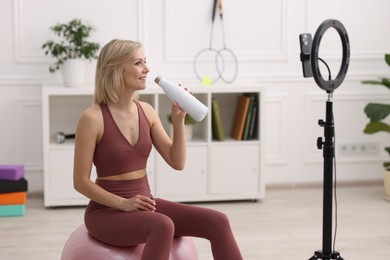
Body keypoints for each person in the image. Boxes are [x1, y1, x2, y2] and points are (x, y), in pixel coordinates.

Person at [73, 39, 243, 260]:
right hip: (106, 213)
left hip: (144, 203)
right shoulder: (92, 118)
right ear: (115, 68)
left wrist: (179, 120)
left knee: (218, 221)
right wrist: (123, 204)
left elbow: (177, 161)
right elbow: (80, 182)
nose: (146, 69)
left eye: (145, 61)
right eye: (138, 63)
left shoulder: (147, 111)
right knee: (162, 225)